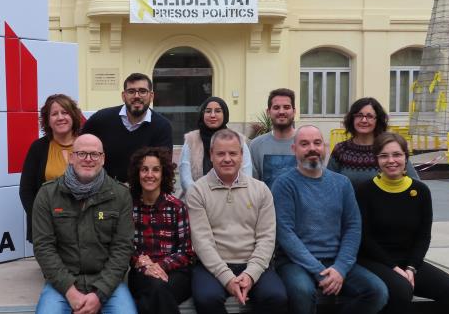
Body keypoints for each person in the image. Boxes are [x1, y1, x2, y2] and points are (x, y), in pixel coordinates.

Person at [272, 125, 388, 314]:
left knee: (377, 292)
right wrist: (318, 270)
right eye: (304, 143)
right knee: (302, 291)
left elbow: (353, 227)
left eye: (317, 143)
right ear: (294, 149)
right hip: (295, 262)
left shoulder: (342, 183)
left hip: (335, 260)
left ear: (324, 147)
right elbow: (285, 233)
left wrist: (340, 268)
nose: (312, 148)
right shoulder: (284, 184)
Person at [356, 132, 449, 313]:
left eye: (397, 154)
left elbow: (423, 236)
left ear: (406, 157)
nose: (391, 160)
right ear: (377, 160)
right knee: (401, 290)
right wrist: (394, 268)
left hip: (410, 262)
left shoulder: (420, 191)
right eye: (384, 155)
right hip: (375, 261)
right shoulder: (365, 191)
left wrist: (412, 268)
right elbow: (364, 238)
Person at [32, 134, 136, 313]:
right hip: (62, 283)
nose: (88, 159)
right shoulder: (48, 194)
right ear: (71, 157)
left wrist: (100, 293)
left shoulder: (120, 195)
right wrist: (69, 291)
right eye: (81, 154)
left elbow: (122, 248)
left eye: (94, 154)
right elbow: (43, 247)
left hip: (107, 283)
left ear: (103, 159)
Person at [187, 129, 288, 314]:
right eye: (221, 153)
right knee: (207, 299)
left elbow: (267, 238)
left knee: (276, 297)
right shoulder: (197, 191)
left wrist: (250, 274)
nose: (227, 159)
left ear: (242, 155)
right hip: (212, 265)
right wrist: (227, 278)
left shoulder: (261, 190)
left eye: (233, 153)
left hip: (252, 262)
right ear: (211, 155)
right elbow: (202, 242)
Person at [127, 147, 194, 314]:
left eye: (156, 169)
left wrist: (160, 265)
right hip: (141, 273)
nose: (150, 174)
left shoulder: (177, 207)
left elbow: (186, 252)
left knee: (151, 297)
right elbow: (125, 247)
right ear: (137, 173)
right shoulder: (129, 208)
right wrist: (144, 265)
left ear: (163, 174)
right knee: (155, 289)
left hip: (176, 273)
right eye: (144, 169)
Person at [81, 72, 173, 182]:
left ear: (151, 96)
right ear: (123, 96)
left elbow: (163, 167)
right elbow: (80, 147)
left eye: (143, 91)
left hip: (143, 192)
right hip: (104, 191)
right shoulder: (101, 119)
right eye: (131, 91)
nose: (137, 96)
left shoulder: (162, 127)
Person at [19, 93, 83, 242]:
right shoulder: (38, 148)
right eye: (54, 114)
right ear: (48, 120)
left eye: (65, 112)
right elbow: (26, 191)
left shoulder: (88, 144)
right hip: (49, 231)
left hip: (85, 228)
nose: (60, 117)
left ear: (73, 116)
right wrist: (41, 221)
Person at [328, 97, 418, 188]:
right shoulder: (341, 150)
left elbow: (416, 184)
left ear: (377, 120)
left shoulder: (388, 148)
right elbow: (328, 184)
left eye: (369, 116)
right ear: (352, 119)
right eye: (359, 115)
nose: (364, 120)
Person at [179, 96, 252, 194]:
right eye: (208, 111)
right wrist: (201, 197)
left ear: (225, 114)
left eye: (218, 111)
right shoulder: (191, 140)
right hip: (197, 199)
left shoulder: (237, 139)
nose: (212, 115)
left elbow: (247, 174)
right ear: (202, 114)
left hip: (233, 200)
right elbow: (185, 179)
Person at [249, 88, 297, 188]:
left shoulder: (306, 143)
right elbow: (253, 186)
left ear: (294, 111)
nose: (281, 111)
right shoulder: (256, 146)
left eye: (286, 107)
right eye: (276, 107)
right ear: (268, 112)